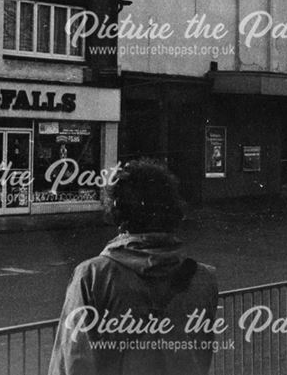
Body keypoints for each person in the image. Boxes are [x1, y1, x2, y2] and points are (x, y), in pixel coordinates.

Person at [48, 159, 218, 375]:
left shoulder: (92, 276)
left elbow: (73, 361)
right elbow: (201, 355)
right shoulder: (204, 278)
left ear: (118, 210)